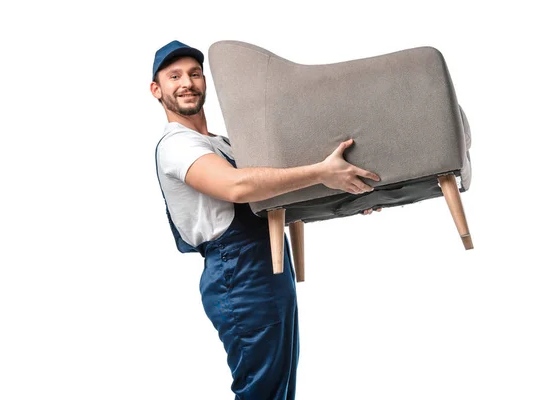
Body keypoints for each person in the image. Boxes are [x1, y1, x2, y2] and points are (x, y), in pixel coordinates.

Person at [151, 40, 381, 400]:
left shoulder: (222, 143)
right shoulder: (177, 145)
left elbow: (276, 201)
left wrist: (345, 196)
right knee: (263, 392)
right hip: (237, 274)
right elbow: (238, 187)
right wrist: (322, 173)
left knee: (277, 391)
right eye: (174, 76)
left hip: (267, 268)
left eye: (195, 74)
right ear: (157, 89)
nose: (187, 83)